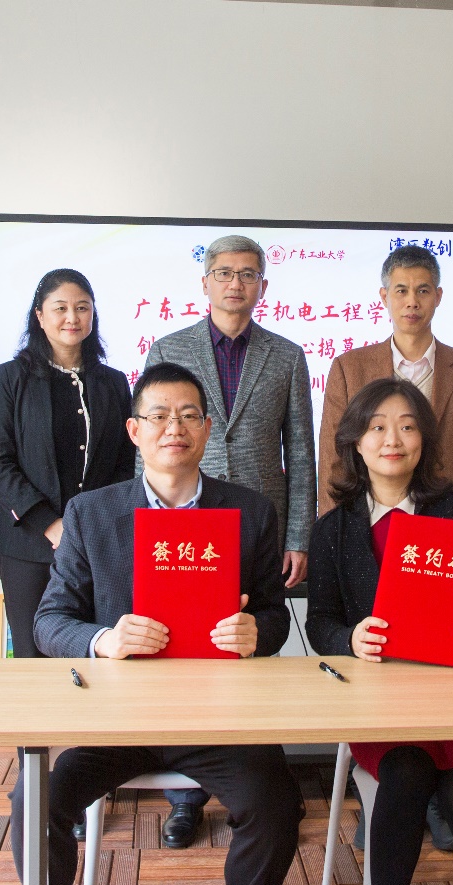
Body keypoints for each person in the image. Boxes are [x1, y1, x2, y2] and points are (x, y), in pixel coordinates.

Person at [15, 361, 303, 885]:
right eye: (160, 416)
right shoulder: (90, 514)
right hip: (119, 722)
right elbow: (49, 622)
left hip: (218, 721)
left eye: (190, 415)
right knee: (36, 797)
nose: (175, 428)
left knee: (277, 805)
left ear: (208, 428)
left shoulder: (251, 512)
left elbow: (274, 616)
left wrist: (255, 633)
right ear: (134, 430)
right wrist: (104, 640)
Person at [306, 377, 453, 885]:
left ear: (424, 438)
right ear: (356, 441)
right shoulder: (332, 530)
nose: (392, 440)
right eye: (377, 427)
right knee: (405, 776)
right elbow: (320, 623)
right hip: (385, 707)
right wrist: (350, 639)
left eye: (406, 426)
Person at [142, 234, 315, 846]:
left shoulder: (287, 355)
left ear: (263, 284)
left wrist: (299, 533)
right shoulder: (171, 348)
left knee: (249, 644)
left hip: (258, 526)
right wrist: (150, 526)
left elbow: (301, 451)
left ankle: (258, 776)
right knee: (186, 648)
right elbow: (152, 440)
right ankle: (185, 794)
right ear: (206, 282)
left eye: (247, 274)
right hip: (184, 522)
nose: (235, 283)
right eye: (224, 273)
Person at [0, 268, 135, 659]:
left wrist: (96, 524)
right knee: (33, 652)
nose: (72, 317)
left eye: (82, 308)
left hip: (97, 543)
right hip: (27, 543)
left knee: (97, 648)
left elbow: (125, 462)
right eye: (61, 308)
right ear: (40, 315)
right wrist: (49, 523)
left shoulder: (114, 382)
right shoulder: (12, 377)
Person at [318, 244, 453, 521]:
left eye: (423, 291)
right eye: (401, 290)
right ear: (384, 296)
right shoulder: (349, 368)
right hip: (368, 524)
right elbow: (333, 460)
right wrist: (331, 533)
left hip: (449, 525)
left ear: (438, 296)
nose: (412, 302)